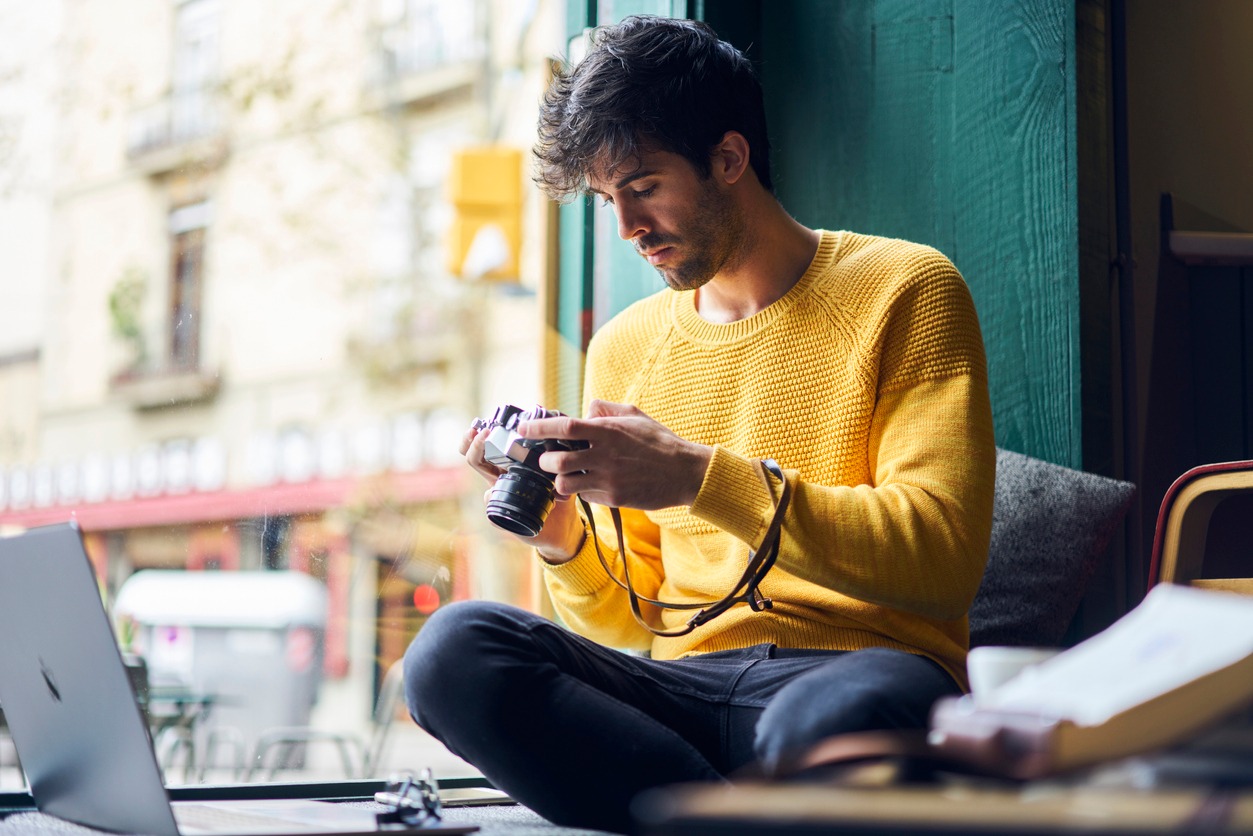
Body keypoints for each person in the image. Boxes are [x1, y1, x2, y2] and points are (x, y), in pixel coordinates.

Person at [404, 14, 995, 834]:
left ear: (728, 158)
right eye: (607, 199)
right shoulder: (624, 346)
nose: (626, 228)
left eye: (642, 186)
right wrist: (562, 535)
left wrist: (694, 477)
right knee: (451, 652)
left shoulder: (904, 289)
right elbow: (629, 622)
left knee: (819, 730)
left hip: (867, 671)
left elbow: (940, 561)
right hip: (685, 687)